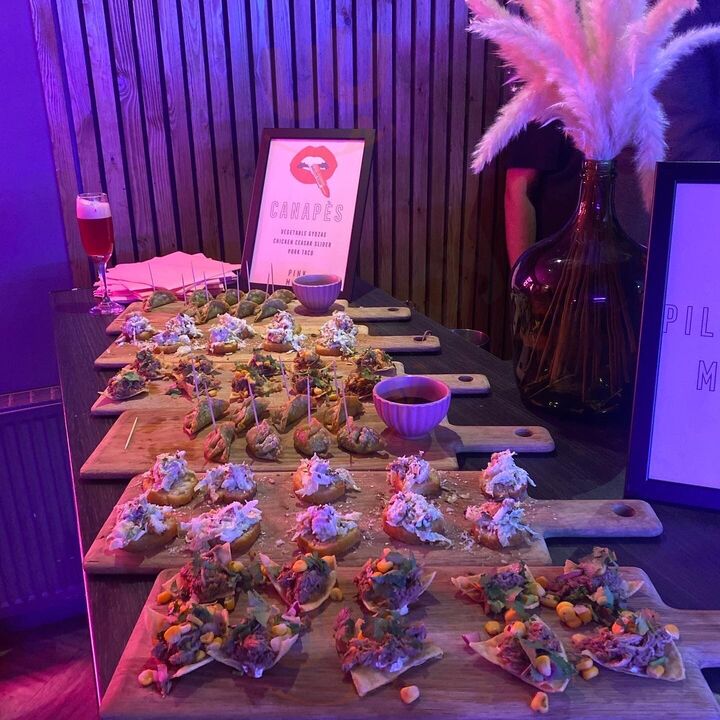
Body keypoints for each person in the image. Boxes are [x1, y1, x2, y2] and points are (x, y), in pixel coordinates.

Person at [503, 4, 720, 268]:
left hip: (687, 220)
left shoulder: (703, 15)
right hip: (592, 245)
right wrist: (520, 281)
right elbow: (519, 187)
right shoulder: (572, 43)